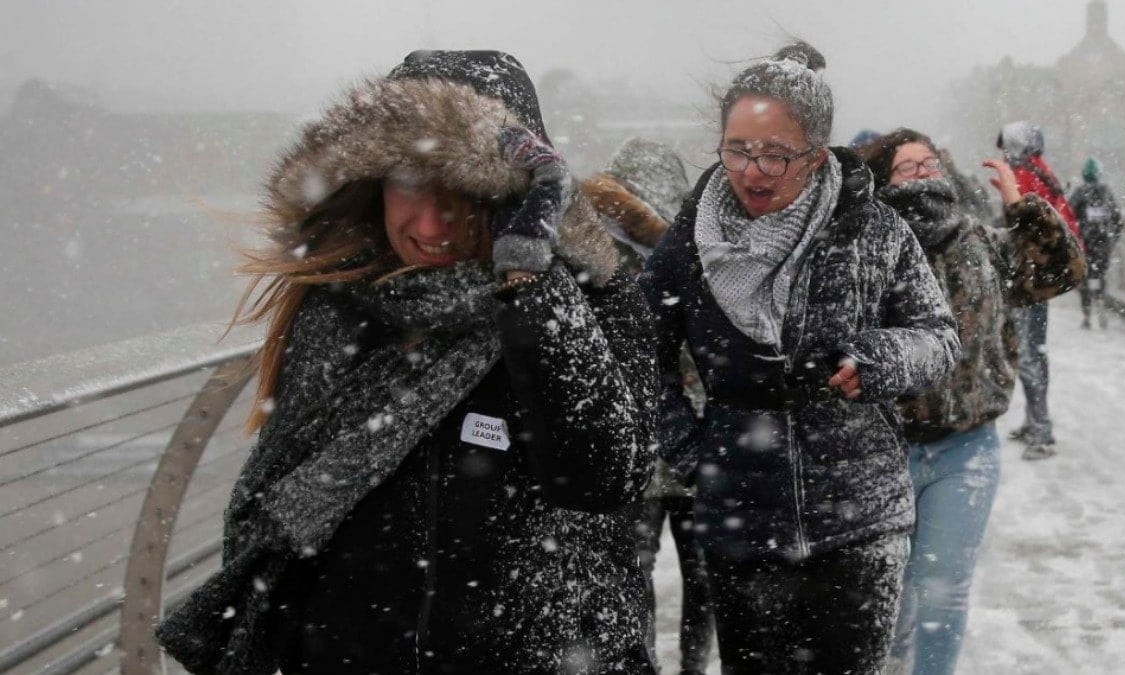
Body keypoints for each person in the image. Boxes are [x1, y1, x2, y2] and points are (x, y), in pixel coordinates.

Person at [154, 50, 659, 675]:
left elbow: (602, 474)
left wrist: (528, 275)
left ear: (515, 193)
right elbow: (276, 510)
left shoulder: (594, 303)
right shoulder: (341, 304)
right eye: (411, 184)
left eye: (467, 192)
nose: (432, 223)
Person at [638, 43, 961, 675]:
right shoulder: (691, 238)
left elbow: (938, 336)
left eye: (776, 155)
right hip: (740, 510)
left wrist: (884, 358)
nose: (753, 171)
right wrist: (690, 452)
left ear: (816, 154)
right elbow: (637, 354)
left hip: (862, 514)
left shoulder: (873, 228)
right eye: (737, 150)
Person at [860, 128, 1083, 675]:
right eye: (906, 167)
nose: (921, 173)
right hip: (883, 449)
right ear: (883, 181)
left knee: (942, 589)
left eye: (928, 162)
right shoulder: (868, 250)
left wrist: (1022, 209)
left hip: (966, 450)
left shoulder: (983, 244)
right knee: (891, 596)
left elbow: (1063, 271)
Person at [581, 138, 716, 675]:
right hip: (650, 448)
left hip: (671, 443)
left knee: (672, 575)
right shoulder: (600, 257)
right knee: (644, 574)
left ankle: (679, 667)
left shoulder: (687, 255)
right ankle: (659, 666)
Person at [996, 120, 1081, 460]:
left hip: (1029, 279)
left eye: (1007, 144)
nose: (1003, 151)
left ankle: (1041, 432)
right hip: (1038, 277)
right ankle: (1035, 423)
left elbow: (1028, 228)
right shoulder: (1040, 172)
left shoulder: (1028, 176)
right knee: (1034, 351)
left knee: (1029, 354)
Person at [1070, 156, 1125, 329]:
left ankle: (1086, 315)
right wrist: (1112, 239)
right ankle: (1101, 303)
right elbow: (1117, 220)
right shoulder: (1106, 193)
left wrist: (1076, 238)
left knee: (1085, 277)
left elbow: (1069, 216)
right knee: (1100, 274)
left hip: (1085, 243)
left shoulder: (1080, 193)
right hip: (1103, 243)